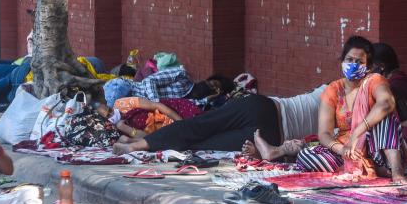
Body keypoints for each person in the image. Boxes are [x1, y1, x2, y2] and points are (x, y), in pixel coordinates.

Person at [294, 36, 407, 183]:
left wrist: (356, 133)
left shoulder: (374, 81)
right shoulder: (333, 90)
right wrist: (342, 150)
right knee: (306, 155)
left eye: (359, 62)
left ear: (368, 67)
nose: (353, 65)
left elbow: (387, 103)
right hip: (346, 152)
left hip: (378, 151)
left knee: (385, 116)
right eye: (349, 60)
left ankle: (396, 171)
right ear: (342, 61)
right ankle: (363, 167)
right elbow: (324, 134)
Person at [113, 85, 326, 154]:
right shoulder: (339, 94)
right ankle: (136, 144)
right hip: (270, 124)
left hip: (266, 113)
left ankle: (137, 143)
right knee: (200, 139)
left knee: (198, 130)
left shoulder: (333, 88)